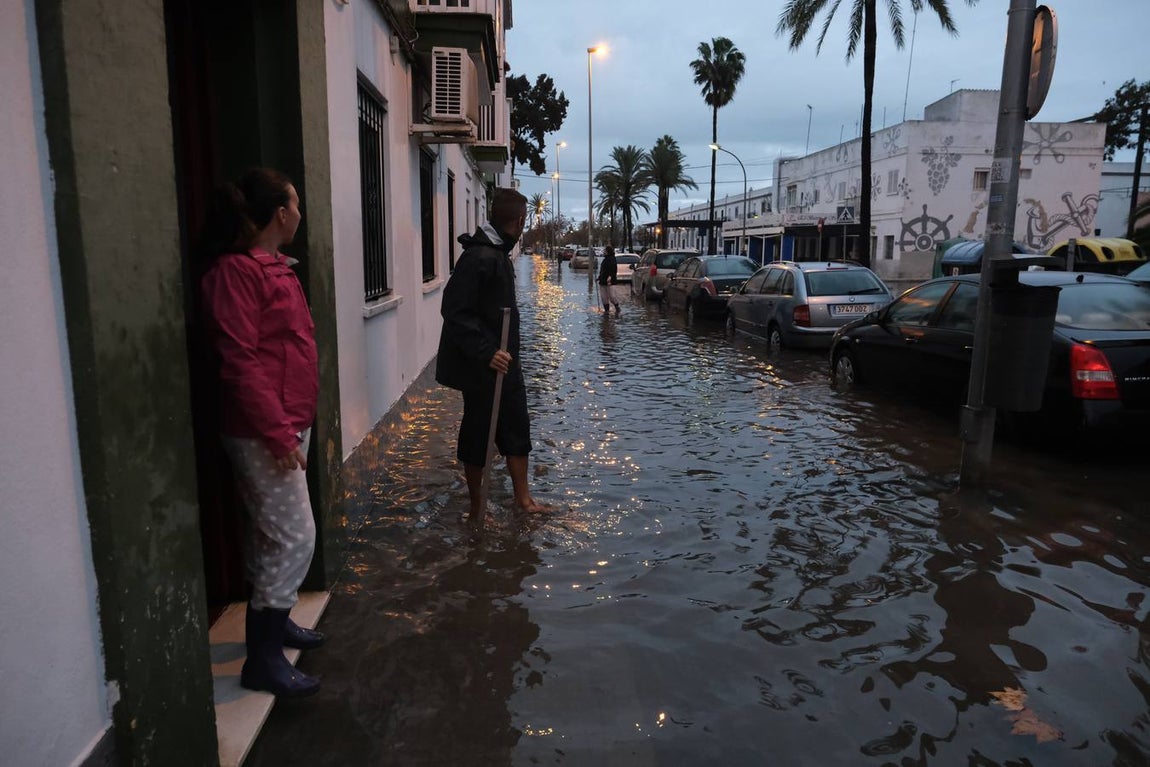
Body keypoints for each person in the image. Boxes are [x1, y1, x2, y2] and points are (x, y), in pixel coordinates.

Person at [199, 168, 323, 698]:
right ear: (280, 213)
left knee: (272, 534)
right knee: (296, 537)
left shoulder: (275, 267)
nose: (299, 213)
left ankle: (278, 620)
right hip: (264, 431)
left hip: (290, 422)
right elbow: (240, 362)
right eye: (295, 205)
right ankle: (264, 659)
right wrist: (278, 433)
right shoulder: (236, 273)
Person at [436, 187, 546, 519]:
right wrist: (486, 352)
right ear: (520, 220)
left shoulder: (497, 253)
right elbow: (454, 310)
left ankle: (523, 501)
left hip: (506, 365)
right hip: (484, 367)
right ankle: (477, 509)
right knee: (478, 434)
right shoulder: (480, 256)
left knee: (516, 428)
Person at [597, 245, 621, 315]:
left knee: (612, 296)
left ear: (608, 251)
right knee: (604, 297)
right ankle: (606, 311)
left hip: (610, 281)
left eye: (605, 251)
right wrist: (599, 277)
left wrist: (610, 277)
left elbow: (613, 269)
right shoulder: (605, 259)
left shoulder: (612, 259)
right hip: (603, 281)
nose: (604, 252)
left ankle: (617, 307)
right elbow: (603, 270)